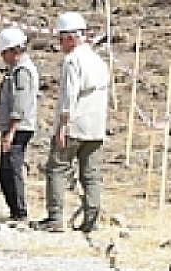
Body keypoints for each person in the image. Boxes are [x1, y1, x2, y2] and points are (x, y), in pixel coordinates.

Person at [36, 11, 110, 233]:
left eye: (61, 39)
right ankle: (91, 221)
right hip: (95, 127)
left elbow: (70, 95)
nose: (60, 44)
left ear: (70, 38)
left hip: (74, 125)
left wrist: (62, 124)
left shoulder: (72, 61)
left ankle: (55, 217)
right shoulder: (99, 61)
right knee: (91, 175)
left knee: (57, 169)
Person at [0, 27, 39, 223]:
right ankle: (15, 211)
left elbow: (20, 102)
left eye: (4, 52)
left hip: (19, 128)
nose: (2, 57)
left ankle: (20, 213)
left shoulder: (22, 72)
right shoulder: (16, 70)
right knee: (5, 171)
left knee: (11, 170)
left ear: (13, 51)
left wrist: (10, 132)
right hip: (15, 127)